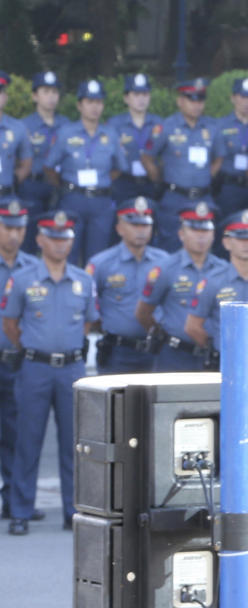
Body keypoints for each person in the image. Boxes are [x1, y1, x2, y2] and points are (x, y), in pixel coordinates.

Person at [4, 210, 98, 535]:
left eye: (66, 237)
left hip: (71, 367)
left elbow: (87, 323)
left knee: (74, 442)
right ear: (41, 239)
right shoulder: (24, 278)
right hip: (35, 366)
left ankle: (73, 509)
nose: (60, 243)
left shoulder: (83, 280)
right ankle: (20, 509)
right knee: (27, 441)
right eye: (54, 237)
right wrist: (33, 347)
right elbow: (11, 324)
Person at [185, 210, 248, 375]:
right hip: (225, 365)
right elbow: (193, 326)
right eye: (240, 239)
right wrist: (219, 345)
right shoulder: (212, 281)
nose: (246, 245)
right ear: (226, 243)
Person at [135, 201, 228, 371]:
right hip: (175, 355)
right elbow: (143, 313)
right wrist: (164, 335)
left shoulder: (224, 269)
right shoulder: (165, 269)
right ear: (181, 234)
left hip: (214, 355)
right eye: (194, 230)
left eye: (206, 230)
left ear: (214, 235)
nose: (201, 236)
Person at [44, 79, 128, 265]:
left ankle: (93, 293)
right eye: (90, 102)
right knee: (69, 252)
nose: (95, 107)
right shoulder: (66, 133)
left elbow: (120, 167)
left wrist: (103, 181)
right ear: (79, 105)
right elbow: (49, 166)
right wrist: (65, 185)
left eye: (98, 102)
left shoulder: (111, 134)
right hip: (73, 199)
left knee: (97, 257)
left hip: (101, 202)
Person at [86, 197, 167, 374]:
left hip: (156, 349)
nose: (141, 231)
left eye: (145, 225)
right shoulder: (101, 263)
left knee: (153, 401)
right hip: (117, 350)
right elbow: (88, 306)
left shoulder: (164, 263)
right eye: (134, 225)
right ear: (119, 228)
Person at [142, 78, 220, 252]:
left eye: (200, 100)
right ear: (180, 101)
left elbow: (219, 157)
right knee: (171, 246)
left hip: (202, 197)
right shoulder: (166, 127)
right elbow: (147, 156)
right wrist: (159, 179)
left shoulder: (212, 128)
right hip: (175, 196)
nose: (197, 105)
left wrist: (207, 176)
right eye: (191, 100)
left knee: (203, 246)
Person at [0, 199, 41, 522]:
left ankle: (13, 500)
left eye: (19, 228)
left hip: (13, 360)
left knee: (15, 433)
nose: (14, 234)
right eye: (8, 227)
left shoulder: (33, 269)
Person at [20, 71, 65, 253]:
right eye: (46, 92)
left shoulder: (67, 125)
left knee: (57, 240)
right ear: (35, 96)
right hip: (32, 186)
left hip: (60, 187)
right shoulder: (24, 126)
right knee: (28, 241)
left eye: (54, 92)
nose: (51, 97)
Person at [211, 77, 248, 220]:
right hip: (229, 187)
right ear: (233, 98)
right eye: (243, 97)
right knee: (227, 226)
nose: (247, 102)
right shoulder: (221, 125)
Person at [107, 74, 162, 204]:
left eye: (145, 94)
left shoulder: (159, 124)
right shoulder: (114, 125)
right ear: (126, 98)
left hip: (151, 183)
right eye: (136, 95)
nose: (141, 99)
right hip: (124, 182)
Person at [0, 71, 32, 199]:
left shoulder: (18, 128)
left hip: (7, 197)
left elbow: (26, 163)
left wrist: (11, 182)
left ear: (6, 96)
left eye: (0, 91)